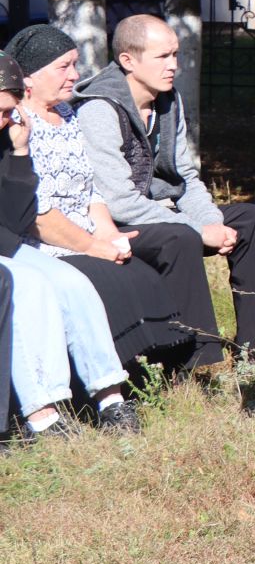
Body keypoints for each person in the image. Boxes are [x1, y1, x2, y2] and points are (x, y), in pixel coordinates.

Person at [74, 15, 255, 360]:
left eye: (175, 55)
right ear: (128, 61)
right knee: (181, 238)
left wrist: (212, 223)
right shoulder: (100, 108)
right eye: (162, 57)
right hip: (119, 223)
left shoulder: (168, 100)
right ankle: (194, 357)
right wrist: (196, 229)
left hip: (164, 212)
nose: (173, 65)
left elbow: (185, 176)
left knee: (249, 219)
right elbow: (118, 201)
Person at [7, 25, 198, 370]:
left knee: (141, 274)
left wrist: (108, 232)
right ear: (30, 77)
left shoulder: (67, 115)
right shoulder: (18, 124)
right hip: (45, 243)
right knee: (111, 278)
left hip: (88, 234)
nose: (75, 76)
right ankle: (106, 380)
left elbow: (91, 187)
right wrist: (94, 247)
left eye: (75, 64)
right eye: (63, 67)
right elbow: (37, 211)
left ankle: (162, 368)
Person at [0, 54, 142, 439]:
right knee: (30, 288)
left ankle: (110, 396)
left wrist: (18, 152)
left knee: (73, 282)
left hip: (7, 241)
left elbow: (15, 218)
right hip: (7, 249)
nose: (3, 120)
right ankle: (42, 416)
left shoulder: (8, 138)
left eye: (8, 112)